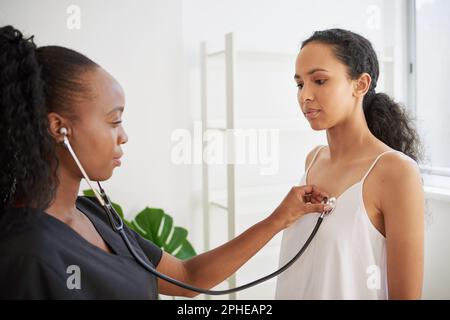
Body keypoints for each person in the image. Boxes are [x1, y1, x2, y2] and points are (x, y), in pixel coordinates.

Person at [0, 25, 332, 299]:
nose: (124, 136)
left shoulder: (93, 212)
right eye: (114, 121)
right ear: (59, 128)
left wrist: (279, 218)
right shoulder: (25, 255)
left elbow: (189, 277)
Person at [275, 29, 425, 300]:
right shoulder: (314, 159)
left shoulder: (396, 172)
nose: (304, 96)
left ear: (360, 84)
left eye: (319, 80)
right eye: (299, 84)